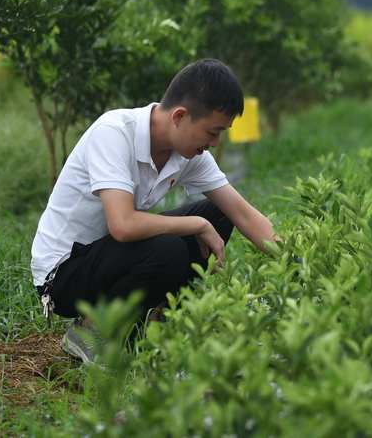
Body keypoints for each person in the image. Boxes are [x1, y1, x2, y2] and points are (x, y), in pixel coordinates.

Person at [31, 59, 280, 361]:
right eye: (213, 132)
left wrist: (300, 262)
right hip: (65, 275)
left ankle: (153, 319)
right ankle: (91, 330)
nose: (215, 143)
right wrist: (196, 225)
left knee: (220, 214)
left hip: (112, 255)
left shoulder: (189, 153)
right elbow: (123, 225)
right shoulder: (113, 133)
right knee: (170, 248)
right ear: (179, 116)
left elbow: (242, 213)